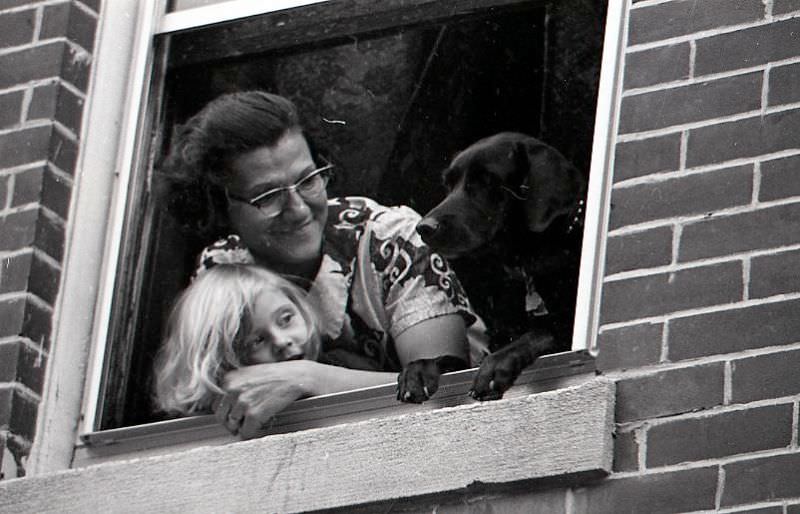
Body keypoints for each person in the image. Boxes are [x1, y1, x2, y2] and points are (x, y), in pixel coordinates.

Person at [161, 90, 487, 439]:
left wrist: (310, 378)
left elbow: (449, 397)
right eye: (268, 196)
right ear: (219, 207)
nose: (299, 209)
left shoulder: (391, 240)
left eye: (308, 179)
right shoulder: (222, 268)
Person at [154, 264, 323, 434]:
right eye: (257, 341)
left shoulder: (332, 363)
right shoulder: (212, 427)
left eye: (286, 319)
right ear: (221, 365)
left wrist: (312, 377)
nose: (281, 341)